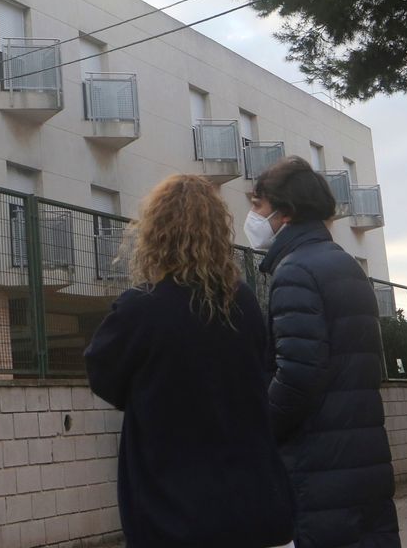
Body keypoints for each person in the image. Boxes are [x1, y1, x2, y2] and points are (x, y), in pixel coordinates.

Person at [84, 174, 295, 548]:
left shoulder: (141, 309)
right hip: (258, 509)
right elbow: (264, 371)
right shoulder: (243, 302)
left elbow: (103, 374)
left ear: (155, 233)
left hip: (172, 517)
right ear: (218, 232)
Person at [247, 157, 400, 548]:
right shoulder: (346, 265)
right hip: (360, 456)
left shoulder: (295, 271)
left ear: (286, 213)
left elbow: (298, 375)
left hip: (319, 459)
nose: (252, 217)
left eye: (258, 207)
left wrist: (263, 426)